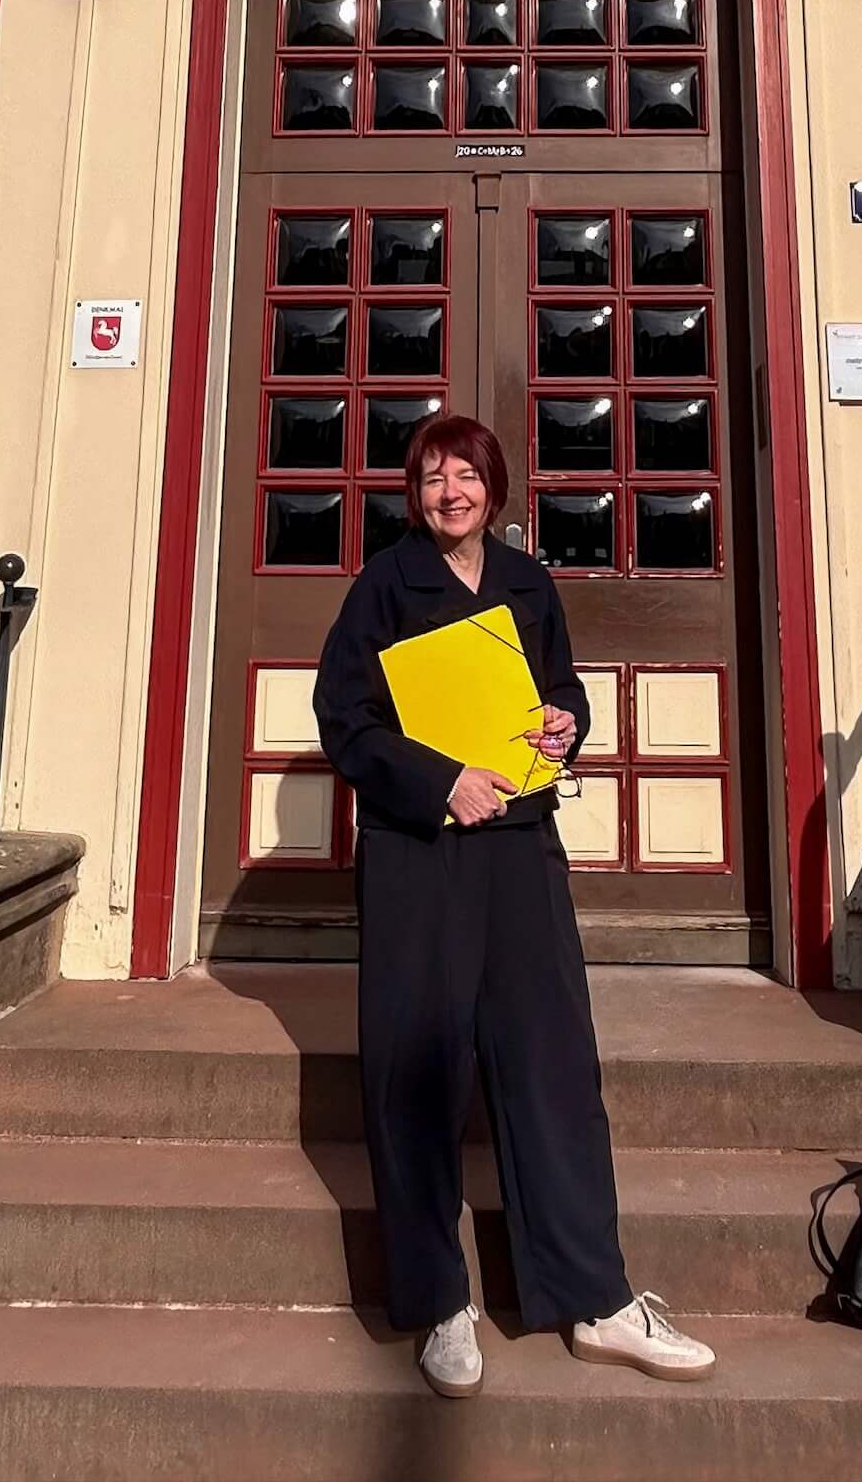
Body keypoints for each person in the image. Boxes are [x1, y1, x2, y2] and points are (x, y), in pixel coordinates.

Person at [312, 413, 717, 1399]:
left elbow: (560, 687)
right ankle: (437, 1303)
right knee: (417, 1074)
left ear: (494, 488)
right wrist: (439, 781)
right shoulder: (383, 587)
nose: (449, 491)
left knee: (554, 1064)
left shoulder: (528, 583)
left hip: (521, 847)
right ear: (415, 495)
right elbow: (344, 719)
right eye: (431, 477)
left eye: (465, 475)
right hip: (419, 856)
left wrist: (565, 721)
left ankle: (595, 1298)